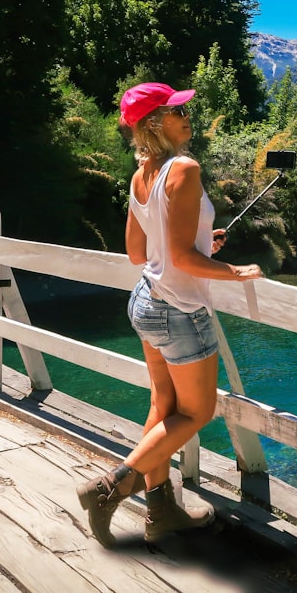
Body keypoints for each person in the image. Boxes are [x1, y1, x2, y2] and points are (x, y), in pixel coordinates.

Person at [77, 82, 263, 547]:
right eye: (177, 110)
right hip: (181, 309)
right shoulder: (184, 168)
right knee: (196, 413)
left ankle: (160, 511)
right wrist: (235, 271)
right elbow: (180, 260)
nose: (188, 115)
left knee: (163, 407)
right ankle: (110, 487)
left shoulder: (143, 174)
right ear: (154, 123)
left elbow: (138, 250)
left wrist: (203, 242)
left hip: (146, 303)